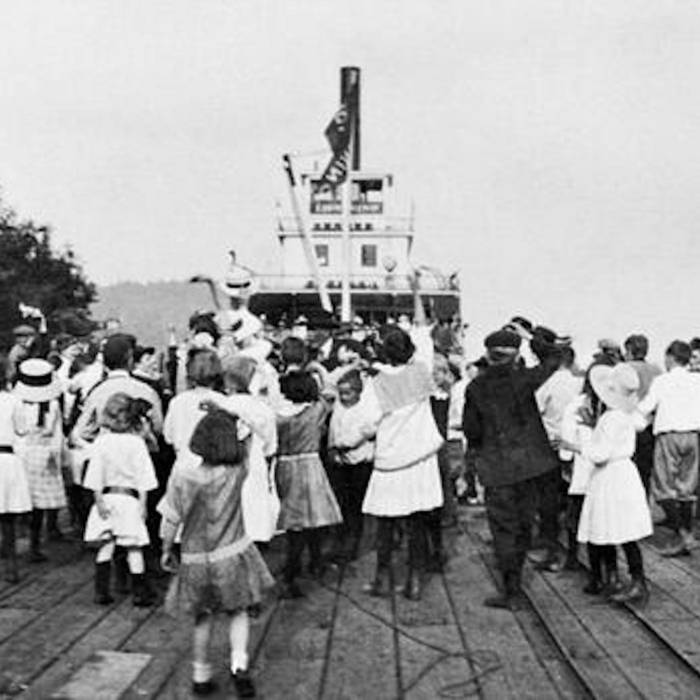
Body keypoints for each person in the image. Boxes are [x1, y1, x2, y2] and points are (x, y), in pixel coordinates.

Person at [159, 405, 274, 697]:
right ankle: (239, 666)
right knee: (238, 612)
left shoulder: (182, 477)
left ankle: (200, 676)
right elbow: (256, 433)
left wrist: (166, 548)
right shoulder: (237, 471)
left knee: (202, 618)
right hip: (232, 555)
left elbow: (171, 519)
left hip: (195, 559)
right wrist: (231, 413)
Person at [462, 329, 558, 609]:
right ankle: (517, 578)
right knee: (525, 525)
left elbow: (472, 430)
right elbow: (554, 357)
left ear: (488, 355)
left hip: (497, 468)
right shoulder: (525, 379)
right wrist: (531, 337)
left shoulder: (476, 387)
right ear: (515, 355)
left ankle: (512, 590)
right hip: (530, 467)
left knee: (504, 529)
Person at [564, 363, 653, 605]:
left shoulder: (610, 418)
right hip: (625, 473)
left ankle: (616, 578)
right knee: (624, 530)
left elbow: (600, 454)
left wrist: (575, 446)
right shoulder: (625, 415)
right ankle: (637, 580)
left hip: (609, 476)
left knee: (605, 526)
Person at [83, 393, 158, 606]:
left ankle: (101, 591)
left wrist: (98, 500)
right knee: (134, 547)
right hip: (129, 499)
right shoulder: (137, 443)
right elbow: (144, 476)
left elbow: (95, 474)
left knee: (106, 544)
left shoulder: (101, 442)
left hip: (107, 497)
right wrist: (143, 503)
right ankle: (140, 593)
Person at [275, 369, 342, 598]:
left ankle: (308, 564)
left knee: (296, 522)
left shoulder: (278, 415)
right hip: (309, 465)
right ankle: (293, 574)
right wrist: (320, 370)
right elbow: (330, 390)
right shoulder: (316, 411)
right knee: (311, 519)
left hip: (284, 465)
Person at [637, 340, 700, 556]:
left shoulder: (662, 381)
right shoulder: (697, 380)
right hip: (693, 435)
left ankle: (683, 534)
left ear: (671, 358)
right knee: (686, 489)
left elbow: (646, 407)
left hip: (669, 435)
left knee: (663, 489)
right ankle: (686, 534)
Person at [532, 344, 583, 570]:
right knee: (573, 502)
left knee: (549, 502)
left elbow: (534, 410)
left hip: (552, 446)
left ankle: (552, 551)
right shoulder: (579, 383)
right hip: (575, 448)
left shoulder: (550, 384)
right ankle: (573, 554)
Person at [14, 358, 66, 561]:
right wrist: (56, 457)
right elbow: (58, 435)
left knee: (19, 500)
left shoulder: (17, 403)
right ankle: (35, 544)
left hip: (21, 453)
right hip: (44, 455)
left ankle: (13, 540)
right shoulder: (52, 405)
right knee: (39, 505)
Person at [327, 369, 375, 562]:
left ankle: (353, 544)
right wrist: (332, 448)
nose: (344, 397)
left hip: (359, 463)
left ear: (358, 392)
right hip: (341, 463)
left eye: (348, 393)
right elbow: (333, 430)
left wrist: (340, 444)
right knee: (341, 503)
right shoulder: (339, 408)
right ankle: (340, 541)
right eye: (341, 393)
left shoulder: (365, 410)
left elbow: (361, 434)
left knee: (355, 505)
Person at [0, 357, 32, 583]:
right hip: (6, 457)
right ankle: (11, 566)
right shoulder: (13, 401)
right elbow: (22, 429)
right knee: (8, 516)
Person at [624, 334, 662, 494]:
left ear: (629, 351)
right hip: (651, 423)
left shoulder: (625, 369)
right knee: (646, 470)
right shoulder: (656, 371)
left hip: (630, 422)